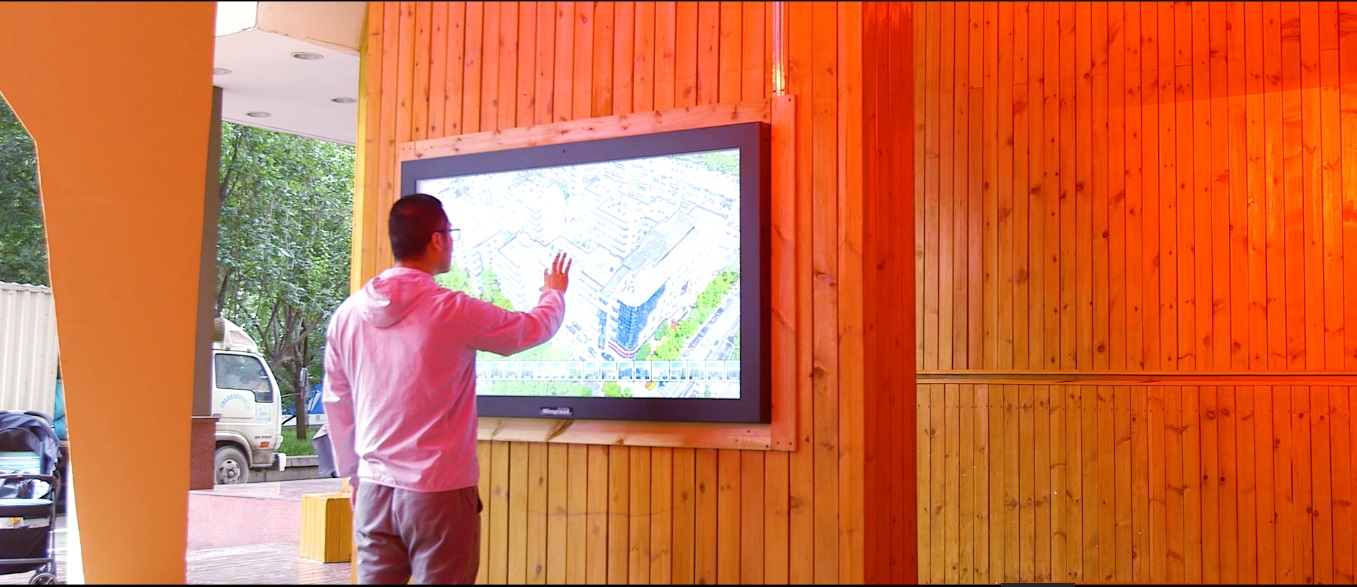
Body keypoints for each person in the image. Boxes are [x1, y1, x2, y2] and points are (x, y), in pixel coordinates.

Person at [322, 193, 571, 585]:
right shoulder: (451, 309)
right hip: (437, 492)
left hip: (373, 490)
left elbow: (337, 402)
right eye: (450, 233)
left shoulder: (347, 315)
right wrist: (553, 293)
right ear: (437, 240)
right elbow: (529, 329)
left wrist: (353, 475)